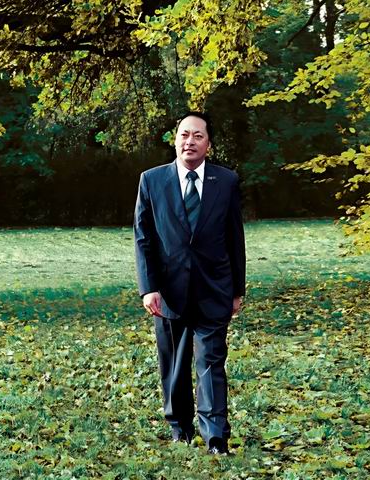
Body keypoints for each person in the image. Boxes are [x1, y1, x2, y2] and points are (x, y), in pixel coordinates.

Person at [133, 112, 246, 455]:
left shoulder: (226, 181)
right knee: (174, 364)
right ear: (175, 139)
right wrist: (148, 287)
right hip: (169, 291)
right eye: (184, 134)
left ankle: (216, 437)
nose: (190, 141)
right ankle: (179, 427)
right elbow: (143, 238)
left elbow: (234, 238)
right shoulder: (152, 180)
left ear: (208, 144)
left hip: (214, 289)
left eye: (198, 136)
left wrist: (237, 290)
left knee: (211, 362)